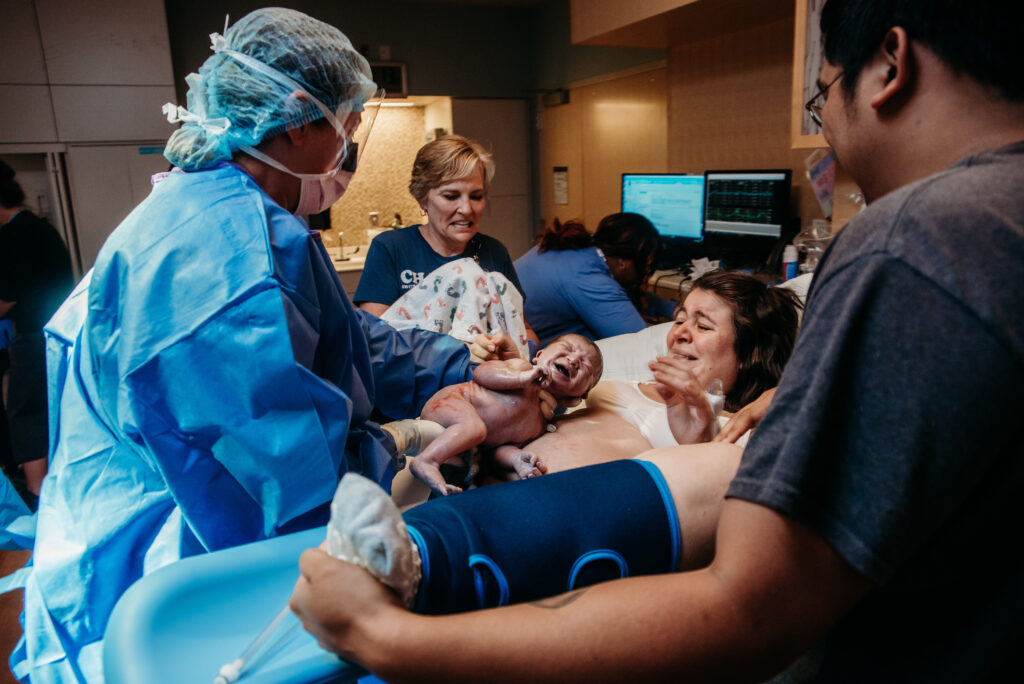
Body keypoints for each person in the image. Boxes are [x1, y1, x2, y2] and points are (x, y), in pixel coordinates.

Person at [289, 0, 1024, 680]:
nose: (827, 125)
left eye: (821, 94)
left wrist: (389, 640)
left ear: (889, 66)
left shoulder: (915, 245)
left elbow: (749, 602)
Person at [9, 10, 495, 683]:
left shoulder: (233, 217)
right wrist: (405, 437)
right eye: (345, 132)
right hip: (169, 587)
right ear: (297, 119)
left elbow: (353, 341)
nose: (345, 156)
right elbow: (284, 488)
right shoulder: (225, 262)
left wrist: (462, 361)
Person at [482, 270, 800, 479]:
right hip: (486, 472)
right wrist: (516, 370)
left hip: (553, 519)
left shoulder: (732, 429)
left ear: (749, 352)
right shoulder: (623, 379)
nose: (680, 334)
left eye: (703, 326)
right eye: (679, 320)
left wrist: (778, 395)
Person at [354, 134, 538, 347]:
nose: (467, 209)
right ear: (422, 197)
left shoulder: (494, 252)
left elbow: (524, 331)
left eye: (476, 196)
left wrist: (520, 352)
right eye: (451, 196)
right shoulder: (391, 248)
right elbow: (376, 341)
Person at [406, 333, 602, 495]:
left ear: (577, 398)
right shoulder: (520, 367)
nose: (574, 359)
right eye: (567, 348)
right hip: (452, 402)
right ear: (539, 356)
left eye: (585, 365)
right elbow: (482, 374)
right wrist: (520, 378)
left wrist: (517, 458)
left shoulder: (538, 425)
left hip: (460, 443)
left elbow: (498, 450)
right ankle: (426, 461)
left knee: (463, 472)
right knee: (474, 428)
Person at [0, 160, 75, 506]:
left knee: (27, 413)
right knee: (45, 410)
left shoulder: (18, 235)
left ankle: (39, 499)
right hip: (52, 333)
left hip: (37, 336)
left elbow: (7, 297)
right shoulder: (35, 228)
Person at [514, 213, 665, 346]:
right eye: (644, 270)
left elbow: (621, 299)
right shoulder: (591, 280)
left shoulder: (577, 249)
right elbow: (642, 346)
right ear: (622, 263)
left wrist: (672, 308)